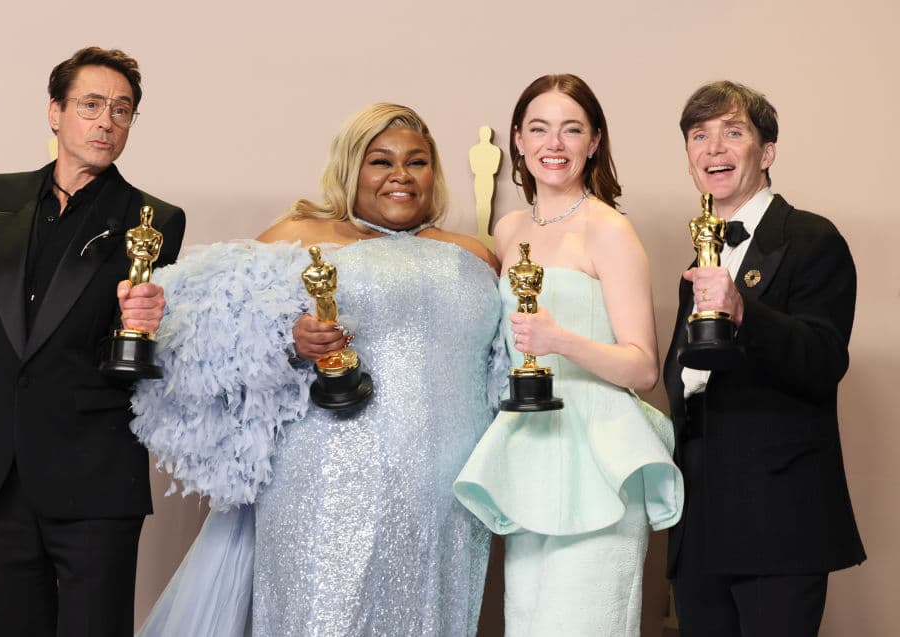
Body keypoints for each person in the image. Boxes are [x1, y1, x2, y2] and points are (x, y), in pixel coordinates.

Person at [132, 103, 505, 636]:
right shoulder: (301, 234)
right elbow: (207, 334)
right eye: (381, 161)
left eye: (417, 162)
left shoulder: (473, 255)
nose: (401, 175)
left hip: (445, 490)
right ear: (352, 168)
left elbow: (501, 366)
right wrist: (290, 342)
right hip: (323, 477)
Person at [0, 46, 186, 637]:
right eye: (91, 104)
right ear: (55, 112)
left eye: (123, 110)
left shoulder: (153, 220)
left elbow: (138, 358)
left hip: (95, 474)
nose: (107, 121)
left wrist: (149, 325)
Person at [454, 73, 684, 636]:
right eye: (539, 128)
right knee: (528, 624)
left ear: (595, 141)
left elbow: (643, 366)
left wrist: (561, 341)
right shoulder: (508, 231)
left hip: (598, 454)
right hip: (530, 448)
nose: (553, 144)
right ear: (517, 139)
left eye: (571, 129)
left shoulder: (609, 229)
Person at [663, 81, 865, 637]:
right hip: (698, 514)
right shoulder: (700, 253)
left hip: (777, 515)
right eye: (699, 136)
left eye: (733, 132)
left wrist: (742, 308)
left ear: (767, 152)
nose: (713, 148)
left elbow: (825, 359)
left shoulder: (809, 237)